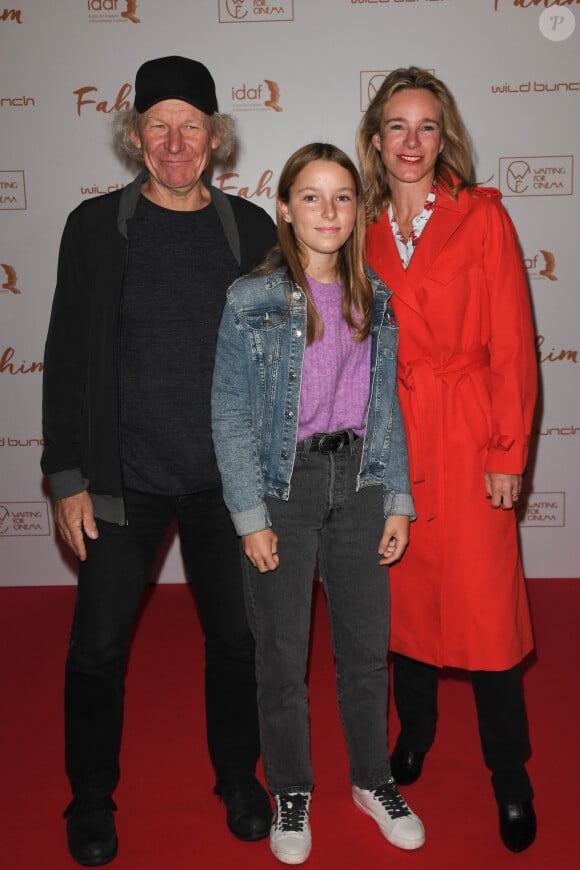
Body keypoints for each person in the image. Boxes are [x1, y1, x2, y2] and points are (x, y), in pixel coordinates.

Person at [41, 56, 277, 866]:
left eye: (191, 127)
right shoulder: (94, 228)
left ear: (215, 139)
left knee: (237, 643)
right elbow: (66, 355)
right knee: (97, 650)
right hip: (122, 481)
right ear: (135, 136)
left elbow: (282, 362)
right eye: (158, 126)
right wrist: (67, 478)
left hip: (227, 483)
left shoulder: (251, 230)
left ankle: (239, 780)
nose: (175, 142)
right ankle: (91, 798)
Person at [211, 142, 425, 865]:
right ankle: (292, 791)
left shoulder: (376, 297)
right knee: (281, 656)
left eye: (341, 197)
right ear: (285, 208)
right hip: (284, 489)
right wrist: (250, 517)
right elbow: (231, 414)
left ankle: (372, 778)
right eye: (311, 196)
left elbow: (385, 406)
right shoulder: (252, 299)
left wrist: (397, 495)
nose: (327, 211)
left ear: (358, 210)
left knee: (366, 652)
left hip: (361, 483)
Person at [357, 66, 538, 853]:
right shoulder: (353, 225)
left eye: (426, 126)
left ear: (445, 137)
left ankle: (511, 774)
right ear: (374, 139)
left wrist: (508, 451)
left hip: (466, 438)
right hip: (391, 440)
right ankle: (415, 736)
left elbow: (513, 345)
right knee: (405, 602)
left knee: (486, 613)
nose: (411, 141)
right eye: (397, 125)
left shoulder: (482, 219)